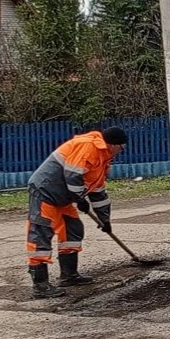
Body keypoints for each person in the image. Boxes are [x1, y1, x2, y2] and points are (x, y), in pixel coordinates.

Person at [25, 127, 128, 298]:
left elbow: (98, 191)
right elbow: (72, 175)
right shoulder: (88, 146)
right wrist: (80, 199)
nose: (122, 151)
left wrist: (105, 220)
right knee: (41, 233)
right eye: (122, 147)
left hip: (63, 197)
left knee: (73, 229)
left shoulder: (103, 158)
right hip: (46, 191)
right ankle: (40, 285)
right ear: (113, 144)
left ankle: (69, 275)